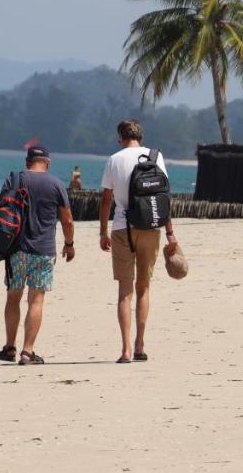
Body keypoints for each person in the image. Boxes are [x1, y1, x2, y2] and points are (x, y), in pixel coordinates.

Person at [98, 119, 173, 364]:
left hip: (122, 228)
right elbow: (164, 197)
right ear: (140, 136)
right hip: (151, 226)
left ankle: (126, 350)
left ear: (121, 136)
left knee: (124, 291)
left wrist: (103, 232)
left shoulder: (114, 160)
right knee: (144, 287)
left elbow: (106, 200)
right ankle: (141, 344)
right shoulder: (155, 156)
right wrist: (170, 232)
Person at [0, 145, 74, 366]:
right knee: (36, 300)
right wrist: (69, 244)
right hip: (43, 251)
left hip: (16, 249)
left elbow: (1, 210)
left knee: (13, 298)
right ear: (48, 162)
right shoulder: (56, 184)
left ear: (27, 162)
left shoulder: (14, 179)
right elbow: (67, 220)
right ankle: (27, 352)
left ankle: (10, 347)